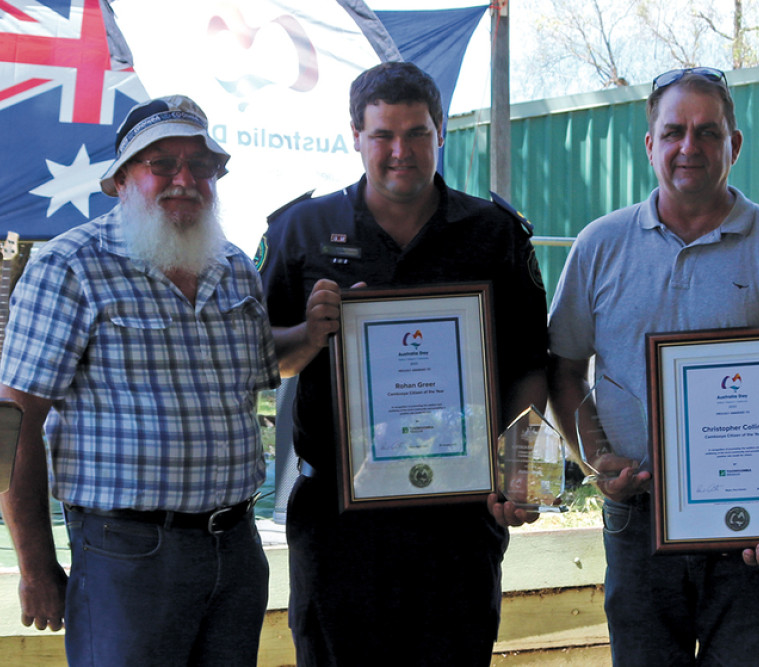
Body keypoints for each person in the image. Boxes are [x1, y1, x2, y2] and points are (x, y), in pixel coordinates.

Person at [256, 61, 548, 666]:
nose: (400, 151)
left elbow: (529, 365)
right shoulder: (302, 230)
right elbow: (260, 361)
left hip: (458, 520)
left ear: (441, 131)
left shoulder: (494, 233)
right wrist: (308, 334)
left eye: (416, 133)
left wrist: (522, 471)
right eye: (383, 135)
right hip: (338, 519)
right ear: (355, 136)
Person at [546, 67, 759, 666]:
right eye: (674, 131)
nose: (690, 147)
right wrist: (597, 459)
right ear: (650, 144)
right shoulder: (599, 246)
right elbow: (565, 371)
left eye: (708, 132)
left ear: (734, 144)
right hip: (637, 518)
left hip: (749, 531)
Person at [0, 95, 280, 666]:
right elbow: (13, 419)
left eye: (200, 165)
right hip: (125, 555)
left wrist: (328, 325)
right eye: (161, 163)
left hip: (237, 550)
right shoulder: (69, 266)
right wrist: (35, 564)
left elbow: (265, 373)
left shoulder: (235, 269)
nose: (184, 179)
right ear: (123, 179)